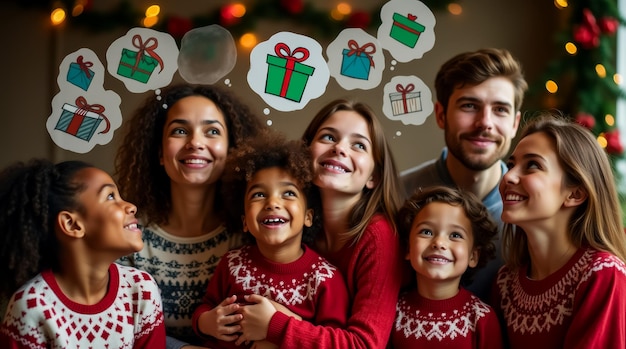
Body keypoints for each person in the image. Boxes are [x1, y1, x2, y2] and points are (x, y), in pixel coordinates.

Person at [233, 99, 406, 348]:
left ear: (373, 177)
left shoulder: (379, 237)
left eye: (358, 145)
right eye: (328, 137)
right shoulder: (289, 225)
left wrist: (276, 325)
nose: (340, 149)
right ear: (305, 154)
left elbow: (365, 345)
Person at [115, 83, 266, 349]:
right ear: (160, 153)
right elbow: (119, 330)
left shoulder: (252, 234)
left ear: (233, 150)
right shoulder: (128, 235)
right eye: (180, 130)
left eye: (212, 131)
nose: (196, 142)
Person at [192, 130, 349, 348]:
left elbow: (331, 341)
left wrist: (278, 331)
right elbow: (206, 306)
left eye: (288, 193)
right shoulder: (231, 263)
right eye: (258, 195)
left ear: (308, 217)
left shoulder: (325, 279)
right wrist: (205, 322)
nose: (272, 203)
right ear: (245, 220)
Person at [400, 48, 528, 301]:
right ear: (441, 115)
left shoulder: (533, 211)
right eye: (469, 106)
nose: (485, 123)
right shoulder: (395, 195)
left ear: (514, 124)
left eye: (500, 109)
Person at [0, 159, 165, 348]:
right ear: (72, 224)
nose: (131, 206)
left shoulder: (141, 290)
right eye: (111, 196)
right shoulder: (31, 308)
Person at [493, 113, 626, 348]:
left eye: (532, 165)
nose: (509, 176)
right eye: (512, 165)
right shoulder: (505, 283)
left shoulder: (602, 274)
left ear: (575, 194)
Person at [390, 185, 502, 348]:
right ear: (408, 248)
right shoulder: (393, 312)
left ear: (473, 256)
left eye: (455, 235)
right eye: (426, 232)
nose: (439, 243)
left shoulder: (481, 318)